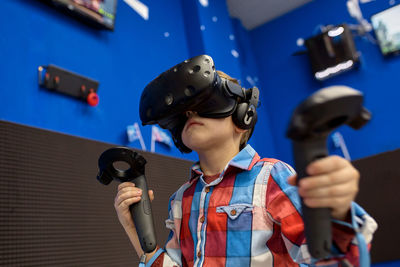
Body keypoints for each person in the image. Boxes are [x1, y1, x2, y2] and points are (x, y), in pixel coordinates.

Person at [114, 66, 377, 266]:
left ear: (243, 115)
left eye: (206, 103)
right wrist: (136, 230)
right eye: (184, 112)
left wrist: (336, 212)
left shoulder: (273, 177)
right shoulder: (181, 199)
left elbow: (329, 260)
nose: (191, 114)